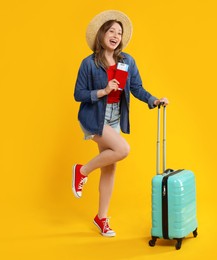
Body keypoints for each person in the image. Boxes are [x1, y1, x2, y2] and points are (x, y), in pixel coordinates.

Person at [72, 10, 169, 237]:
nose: (116, 35)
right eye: (111, 31)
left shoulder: (128, 61)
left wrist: (153, 100)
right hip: (94, 116)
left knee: (110, 167)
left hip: (115, 116)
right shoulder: (89, 64)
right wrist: (103, 91)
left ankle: (101, 218)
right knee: (122, 149)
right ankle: (82, 171)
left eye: (119, 32)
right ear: (102, 34)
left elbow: (136, 88)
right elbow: (79, 94)